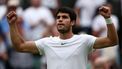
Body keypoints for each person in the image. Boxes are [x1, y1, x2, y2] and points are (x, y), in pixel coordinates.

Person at [6, 5, 118, 69]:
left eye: (64, 17)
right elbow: (20, 46)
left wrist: (108, 19)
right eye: (58, 17)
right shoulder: (47, 42)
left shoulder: (84, 40)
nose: (60, 19)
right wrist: (12, 25)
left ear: (73, 22)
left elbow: (112, 41)